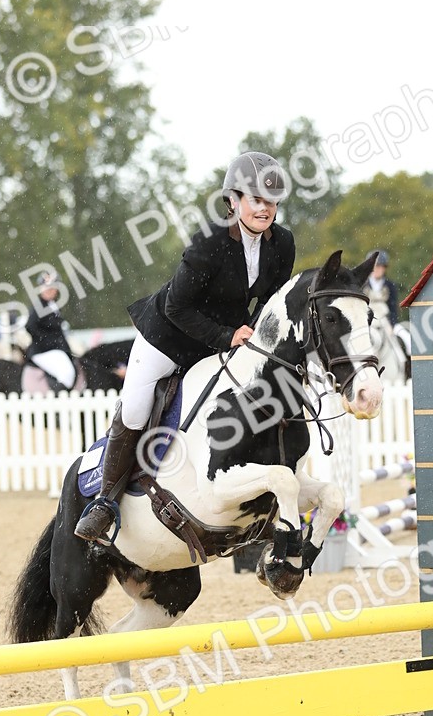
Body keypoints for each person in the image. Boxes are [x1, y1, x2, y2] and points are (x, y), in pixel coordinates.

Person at [74, 151, 295, 543]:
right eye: (256, 199)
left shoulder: (282, 243)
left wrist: (254, 338)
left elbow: (270, 301)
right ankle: (105, 502)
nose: (265, 209)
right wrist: (227, 336)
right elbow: (177, 307)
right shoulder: (210, 241)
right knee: (136, 408)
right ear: (233, 201)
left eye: (272, 202)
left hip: (221, 341)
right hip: (167, 337)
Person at [24, 274, 77, 392]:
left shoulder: (53, 305)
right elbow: (30, 326)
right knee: (67, 374)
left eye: (53, 287)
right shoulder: (39, 306)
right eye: (47, 287)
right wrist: (49, 341)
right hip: (45, 350)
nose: (50, 290)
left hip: (56, 349)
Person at [363, 250, 399, 327]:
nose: (376, 269)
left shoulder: (390, 286)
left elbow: (393, 308)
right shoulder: (362, 286)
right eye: (374, 266)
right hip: (366, 321)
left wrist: (393, 324)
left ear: (384, 268)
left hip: (385, 321)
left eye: (379, 266)